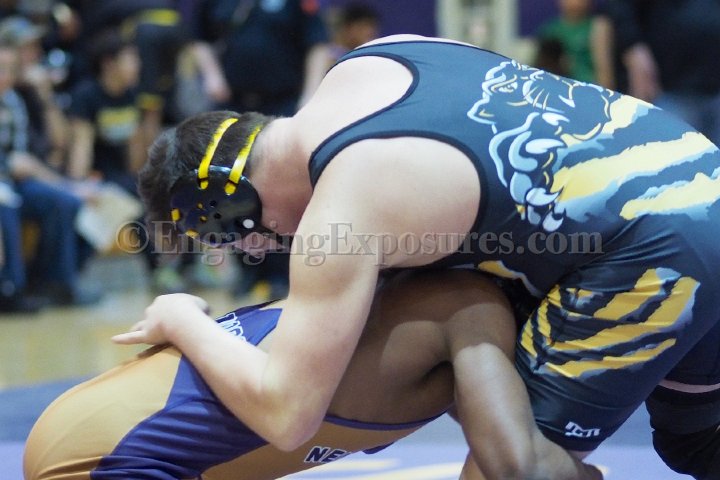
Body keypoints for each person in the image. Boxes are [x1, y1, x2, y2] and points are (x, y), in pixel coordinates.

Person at [132, 34, 720, 479]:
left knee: (512, 465)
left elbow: (287, 416)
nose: (255, 249)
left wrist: (183, 319)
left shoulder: (342, 214)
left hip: (652, 246)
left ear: (223, 206)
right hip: (695, 168)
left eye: (226, 238)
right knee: (695, 438)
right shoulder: (373, 58)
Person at [23, 269, 601, 479]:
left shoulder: (439, 306)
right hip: (114, 455)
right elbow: (515, 468)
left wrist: (182, 314)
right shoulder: (473, 309)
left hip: (107, 437)